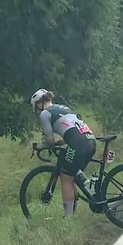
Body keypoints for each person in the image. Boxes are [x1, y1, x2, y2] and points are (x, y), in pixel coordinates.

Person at [30, 89, 96, 217]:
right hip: (89, 141)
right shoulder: (64, 108)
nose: (37, 113)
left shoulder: (45, 113)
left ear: (39, 104)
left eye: (36, 110)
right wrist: (60, 142)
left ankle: (68, 218)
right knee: (70, 171)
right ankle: (83, 182)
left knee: (65, 177)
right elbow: (71, 130)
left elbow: (50, 140)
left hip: (77, 143)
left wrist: (43, 146)